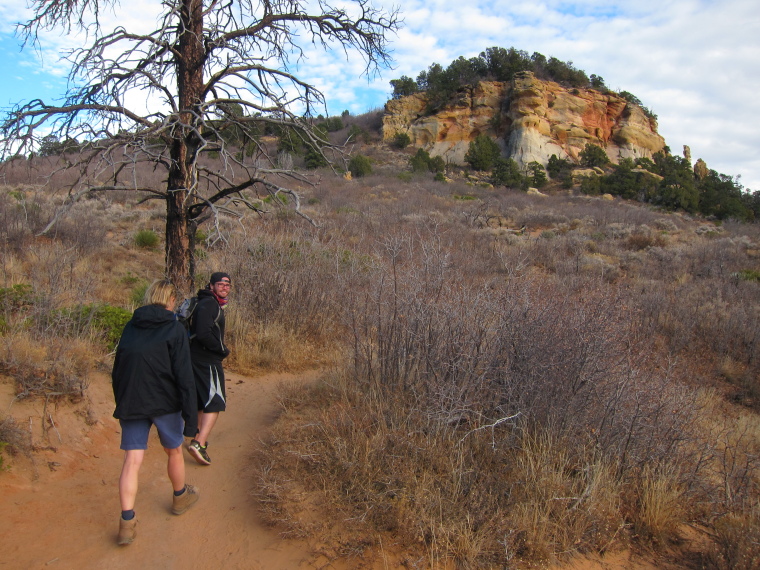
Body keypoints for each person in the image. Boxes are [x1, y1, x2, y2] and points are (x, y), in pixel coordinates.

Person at [111, 279, 200, 546]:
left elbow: (118, 369)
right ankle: (180, 497)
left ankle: (127, 522)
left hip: (132, 402)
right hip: (164, 403)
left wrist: (123, 400)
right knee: (173, 450)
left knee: (132, 460)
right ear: (171, 300)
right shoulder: (174, 328)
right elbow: (185, 376)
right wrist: (191, 419)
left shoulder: (130, 326)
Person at [186, 271, 231, 466]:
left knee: (201, 399)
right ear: (211, 285)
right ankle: (199, 443)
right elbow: (203, 333)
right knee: (215, 400)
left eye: (228, 285)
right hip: (207, 360)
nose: (225, 287)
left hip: (196, 358)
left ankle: (197, 435)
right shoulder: (209, 304)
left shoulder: (203, 302)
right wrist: (222, 349)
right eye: (220, 284)